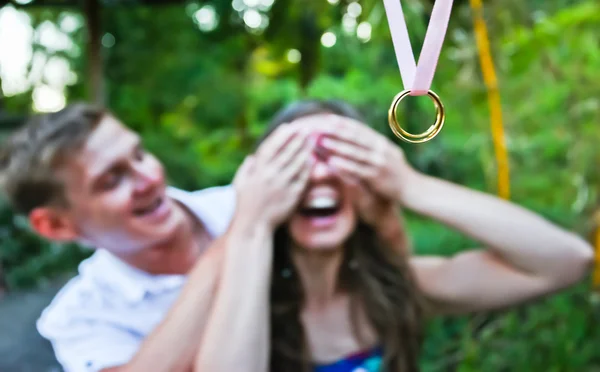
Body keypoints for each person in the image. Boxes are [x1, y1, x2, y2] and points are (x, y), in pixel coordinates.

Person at [197, 99, 594, 372]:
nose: (319, 175)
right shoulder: (237, 304)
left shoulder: (394, 287)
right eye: (293, 162)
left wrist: (409, 185)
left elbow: (566, 260)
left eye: (341, 156)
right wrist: (250, 225)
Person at [0, 102, 317, 372]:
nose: (149, 179)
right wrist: (244, 231)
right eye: (112, 180)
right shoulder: (79, 318)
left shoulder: (251, 202)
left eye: (139, 155)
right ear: (55, 225)